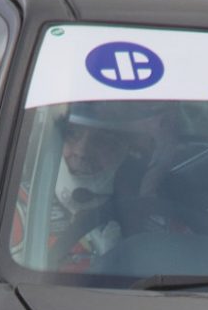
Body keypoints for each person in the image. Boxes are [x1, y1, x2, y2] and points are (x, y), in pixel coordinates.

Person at [14, 100, 174, 271]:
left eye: (102, 140)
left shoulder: (158, 219)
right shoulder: (16, 210)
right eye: (72, 134)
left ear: (127, 149)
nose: (81, 151)